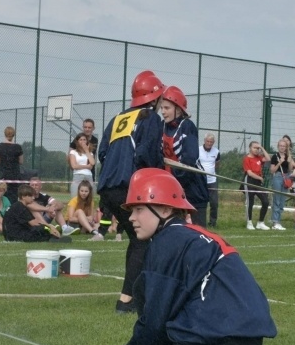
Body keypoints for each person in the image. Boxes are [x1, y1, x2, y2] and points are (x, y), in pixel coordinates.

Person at [98, 168, 277, 345]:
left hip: (225, 342)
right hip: (239, 338)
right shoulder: (191, 235)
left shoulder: (167, 243)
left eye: (139, 209)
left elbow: (154, 323)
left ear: (165, 210)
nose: (132, 217)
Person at [97, 70, 165, 314]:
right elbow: (148, 154)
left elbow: (102, 153)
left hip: (107, 187)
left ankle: (137, 295)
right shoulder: (151, 119)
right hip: (130, 187)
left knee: (138, 240)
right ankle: (127, 300)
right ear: (155, 98)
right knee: (143, 240)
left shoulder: (117, 118)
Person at [158, 85, 209, 226]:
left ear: (179, 110)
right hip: (171, 184)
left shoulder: (187, 126)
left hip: (192, 185)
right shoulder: (161, 126)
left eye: (167, 108)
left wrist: (177, 180)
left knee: (198, 230)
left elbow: (190, 159)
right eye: (162, 108)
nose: (163, 111)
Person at [2, 184, 70, 243]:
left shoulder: (17, 206)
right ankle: (52, 238)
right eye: (31, 196)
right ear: (23, 197)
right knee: (41, 229)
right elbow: (35, 223)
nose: (33, 198)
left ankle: (52, 236)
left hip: (10, 234)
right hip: (15, 235)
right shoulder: (20, 207)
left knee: (41, 228)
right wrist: (50, 228)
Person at [243, 141, 270, 230]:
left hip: (258, 182)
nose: (256, 150)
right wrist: (259, 178)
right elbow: (249, 173)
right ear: (250, 148)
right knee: (250, 202)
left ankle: (260, 222)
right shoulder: (247, 158)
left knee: (265, 201)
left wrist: (262, 148)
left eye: (258, 148)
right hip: (250, 181)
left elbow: (268, 159)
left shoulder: (259, 158)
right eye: (255, 148)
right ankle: (249, 222)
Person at [268, 137, 292, 230]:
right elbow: (272, 170)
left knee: (282, 200)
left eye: (284, 146)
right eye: (280, 146)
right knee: (277, 199)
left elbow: (290, 169)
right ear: (278, 147)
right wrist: (279, 163)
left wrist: (289, 162)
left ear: (286, 147)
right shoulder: (275, 156)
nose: (282, 147)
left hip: (286, 177)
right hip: (277, 176)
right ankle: (275, 221)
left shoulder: (287, 156)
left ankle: (279, 220)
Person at [0, 126, 23, 205]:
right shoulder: (18, 147)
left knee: (2, 193)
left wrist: (4, 161)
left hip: (3, 174)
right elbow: (21, 161)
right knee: (13, 196)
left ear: (4, 134)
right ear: (13, 135)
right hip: (14, 175)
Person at [198, 133, 220, 227]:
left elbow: (217, 164)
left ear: (213, 142)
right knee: (201, 202)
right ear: (204, 141)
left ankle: (212, 222)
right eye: (208, 141)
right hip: (200, 180)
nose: (209, 143)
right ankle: (199, 221)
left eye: (211, 142)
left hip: (212, 181)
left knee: (214, 203)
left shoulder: (216, 152)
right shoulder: (197, 150)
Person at [68, 132, 95, 197]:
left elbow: (92, 163)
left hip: (88, 175)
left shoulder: (90, 153)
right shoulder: (73, 152)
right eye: (81, 139)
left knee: (89, 196)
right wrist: (86, 166)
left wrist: (87, 151)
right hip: (78, 175)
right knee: (75, 196)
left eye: (84, 139)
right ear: (77, 141)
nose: (83, 141)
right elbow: (74, 166)